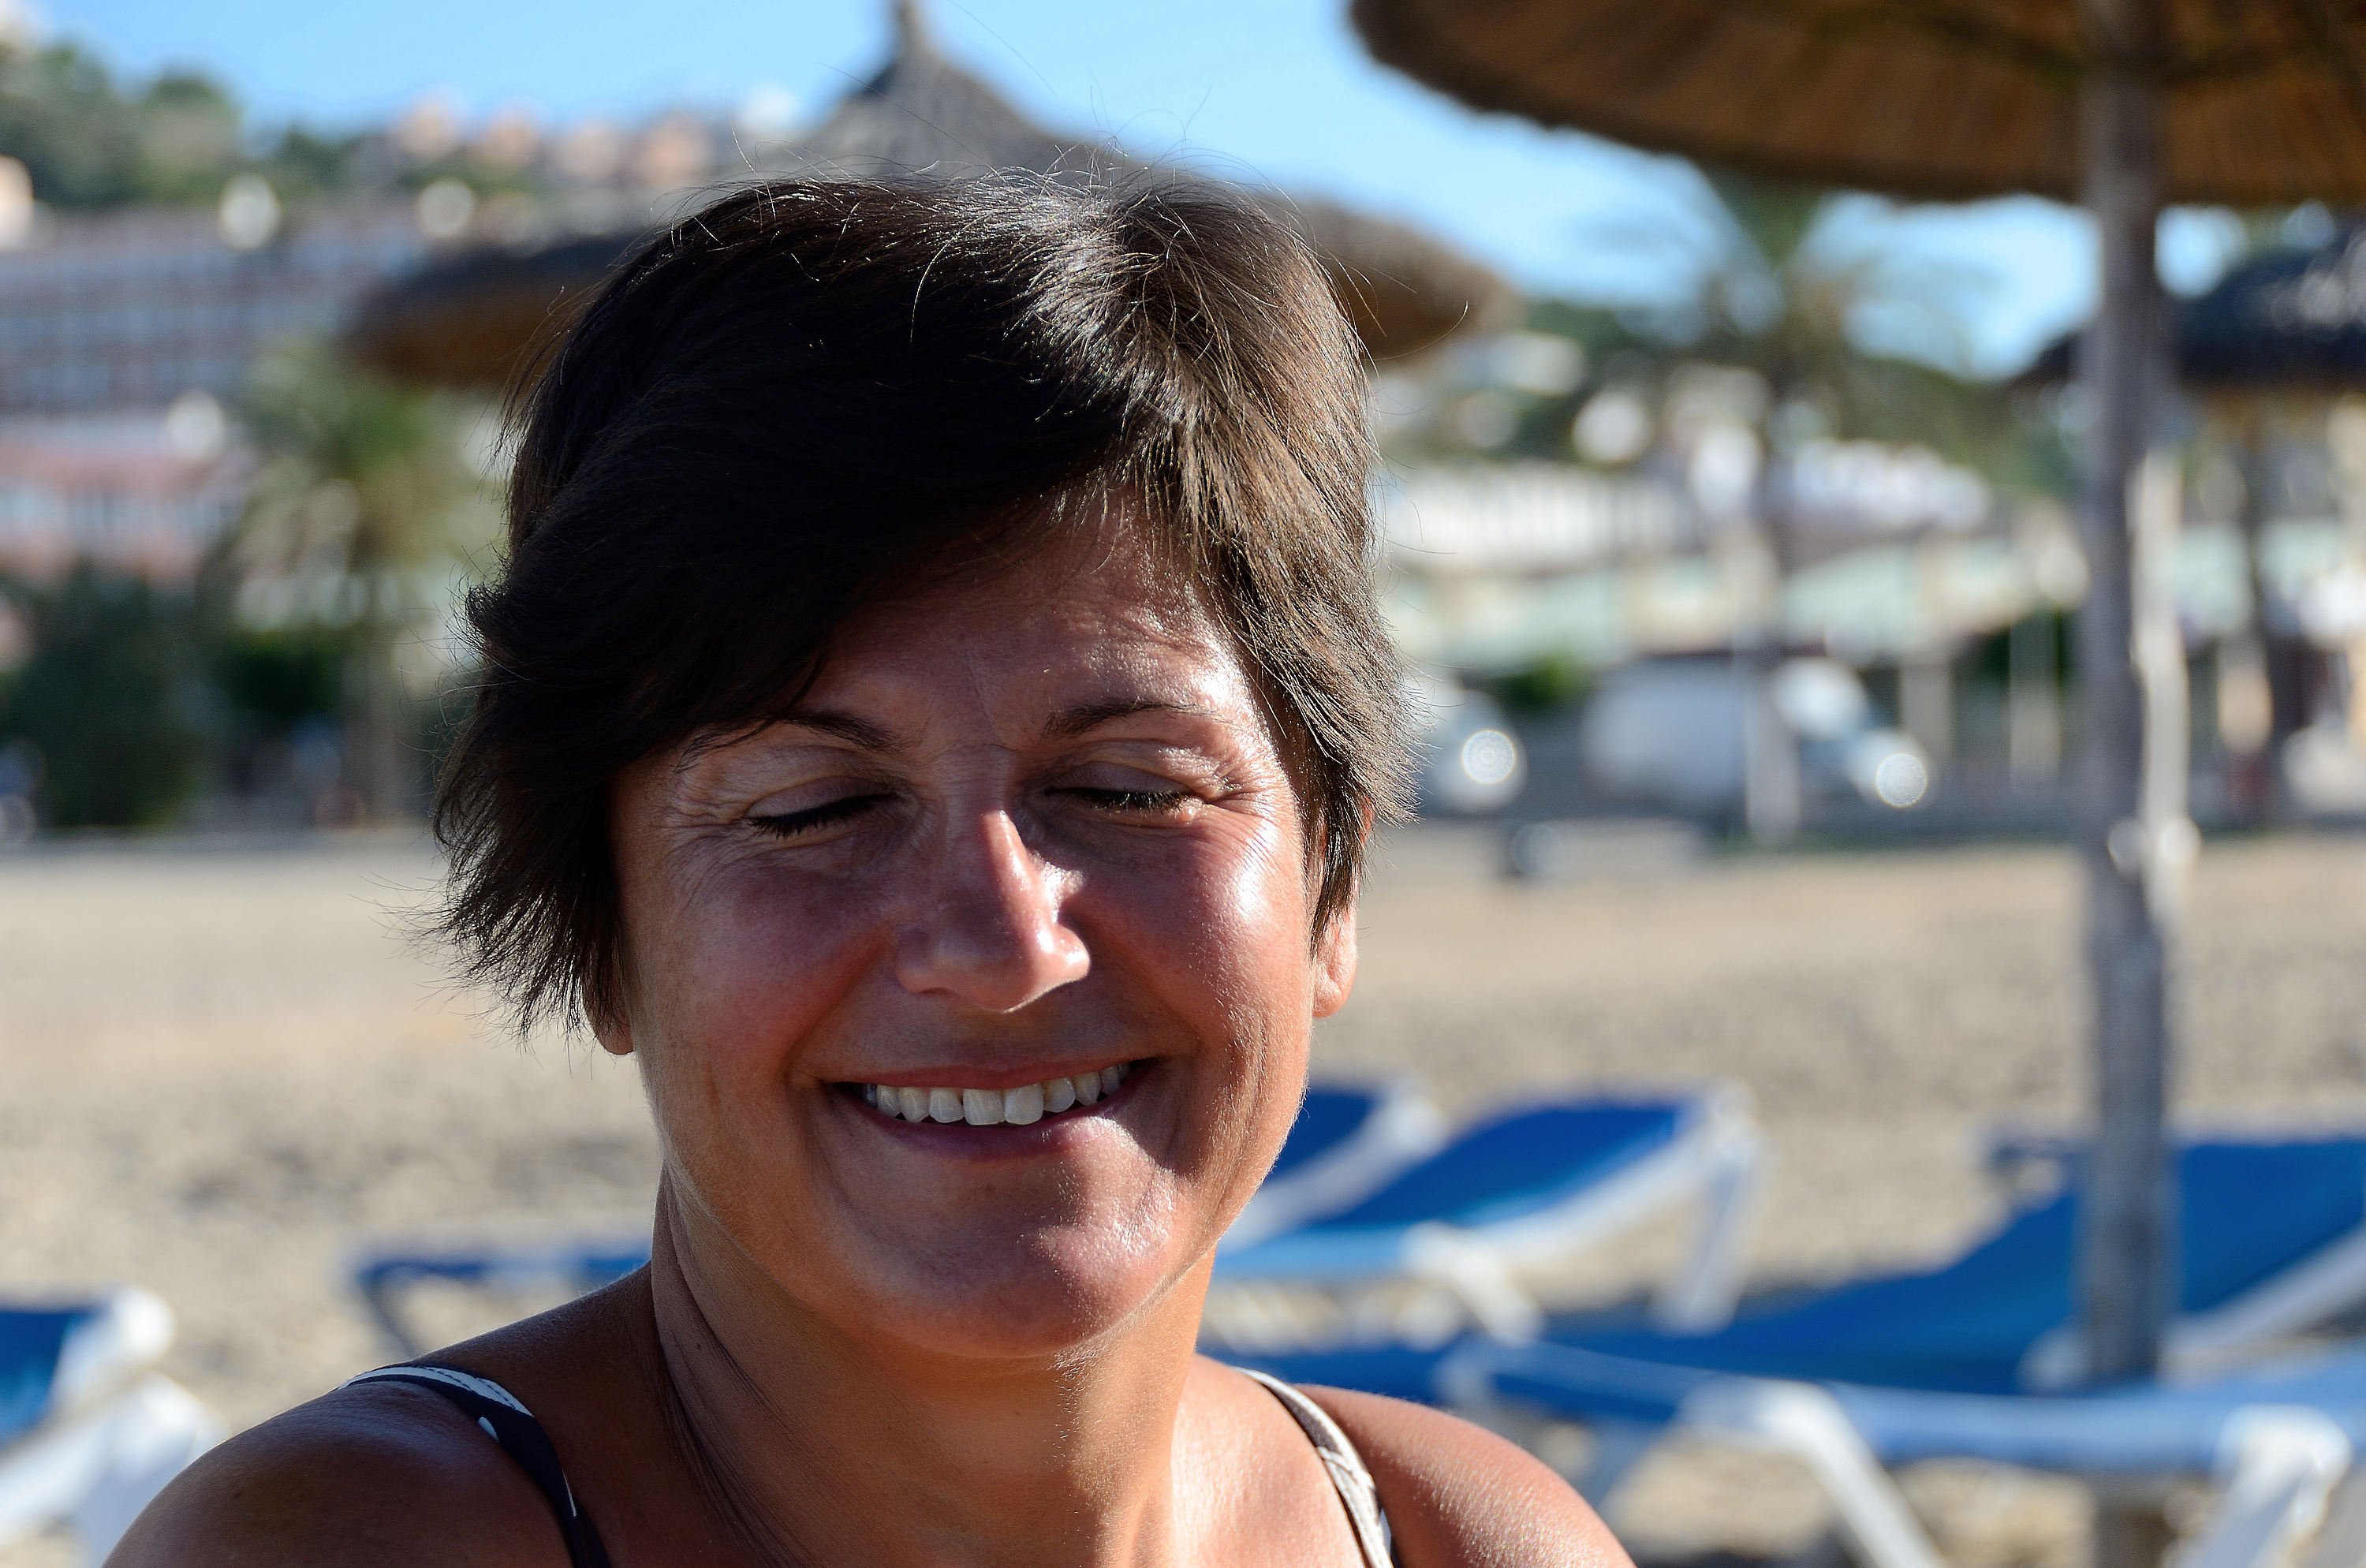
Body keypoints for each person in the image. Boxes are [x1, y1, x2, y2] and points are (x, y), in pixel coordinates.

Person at [115, 174, 1627, 1567]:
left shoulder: (1466, 1541)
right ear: (600, 930)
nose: (1001, 944)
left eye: (1128, 789)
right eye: (813, 809)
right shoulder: (357, 1542)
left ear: (1332, 884)